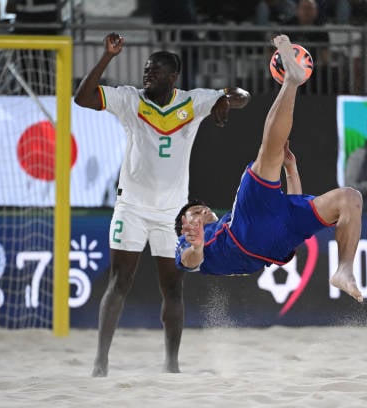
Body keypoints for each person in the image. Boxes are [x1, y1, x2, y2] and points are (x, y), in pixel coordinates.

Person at [74, 32, 250, 376]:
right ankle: (101, 360)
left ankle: (171, 363)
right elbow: (82, 98)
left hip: (172, 214)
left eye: (154, 71)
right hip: (132, 208)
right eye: (146, 70)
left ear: (173, 76)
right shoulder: (129, 99)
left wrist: (226, 101)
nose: (147, 75)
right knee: (119, 282)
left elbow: (242, 95)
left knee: (172, 287)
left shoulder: (193, 100)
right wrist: (107, 57)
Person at [174, 35, 363, 303]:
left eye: (202, 207)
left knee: (350, 198)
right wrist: (196, 245)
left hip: (277, 240)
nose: (203, 210)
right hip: (245, 237)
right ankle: (291, 81)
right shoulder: (189, 243)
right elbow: (191, 261)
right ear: (183, 228)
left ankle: (344, 270)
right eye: (195, 211)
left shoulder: (224, 220)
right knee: (268, 153)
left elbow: (294, 202)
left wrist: (292, 170)